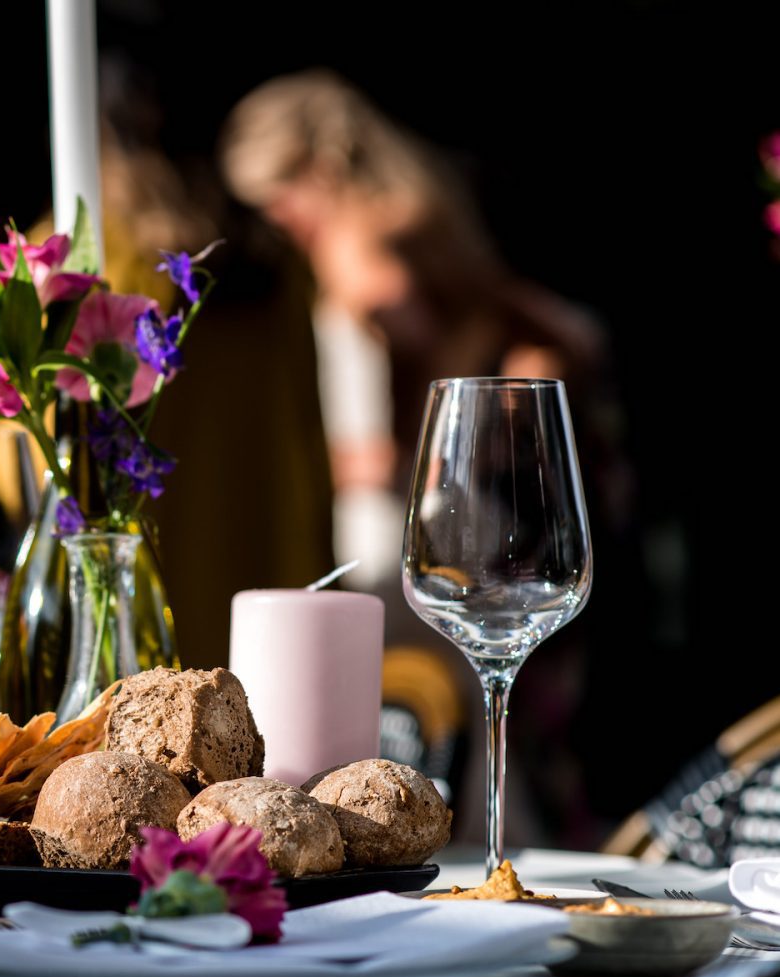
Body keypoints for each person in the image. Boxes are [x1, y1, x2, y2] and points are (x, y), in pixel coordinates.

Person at [220, 70, 636, 847]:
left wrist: (389, 460)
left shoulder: (369, 249)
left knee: (435, 708)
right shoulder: (423, 214)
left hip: (398, 523)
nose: (277, 219)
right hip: (450, 508)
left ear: (320, 171)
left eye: (280, 196)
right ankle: (499, 856)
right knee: (470, 715)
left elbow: (413, 395)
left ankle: (455, 856)